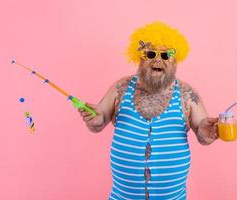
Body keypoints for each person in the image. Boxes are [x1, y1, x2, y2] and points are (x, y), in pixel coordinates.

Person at [78, 21, 219, 200]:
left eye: (166, 55)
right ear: (140, 58)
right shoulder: (120, 88)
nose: (158, 60)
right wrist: (95, 122)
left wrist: (204, 132)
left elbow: (203, 134)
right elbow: (98, 122)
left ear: (175, 60)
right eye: (150, 54)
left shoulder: (186, 94)